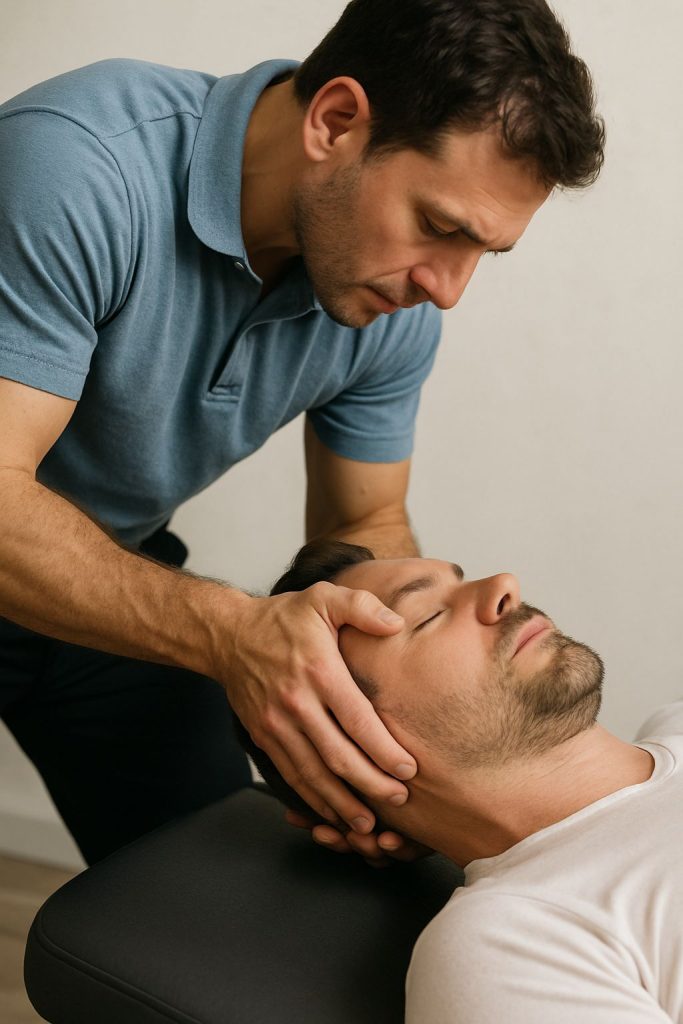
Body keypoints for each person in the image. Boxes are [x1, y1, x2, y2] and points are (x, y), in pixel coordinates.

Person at [0, 0, 605, 864]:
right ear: (336, 121)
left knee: (234, 883)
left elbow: (363, 534)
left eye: (483, 253)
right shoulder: (76, 166)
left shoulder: (389, 304)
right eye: (439, 228)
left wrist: (393, 762)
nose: (448, 290)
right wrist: (229, 633)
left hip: (105, 567)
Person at [240, 539, 681, 1023]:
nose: (504, 585)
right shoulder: (511, 944)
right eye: (428, 616)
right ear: (347, 747)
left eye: (464, 579)